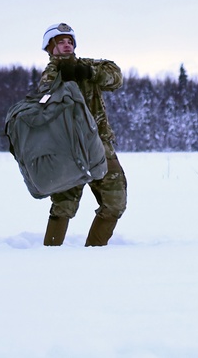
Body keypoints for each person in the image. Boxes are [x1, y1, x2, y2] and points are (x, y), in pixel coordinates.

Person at [37, 22, 127, 247]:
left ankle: (94, 252)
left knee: (115, 202)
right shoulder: (49, 75)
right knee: (63, 206)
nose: (67, 45)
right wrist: (63, 80)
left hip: (100, 147)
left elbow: (115, 77)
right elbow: (45, 101)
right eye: (60, 42)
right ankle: (50, 255)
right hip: (68, 153)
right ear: (50, 48)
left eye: (70, 41)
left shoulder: (89, 66)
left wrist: (88, 72)